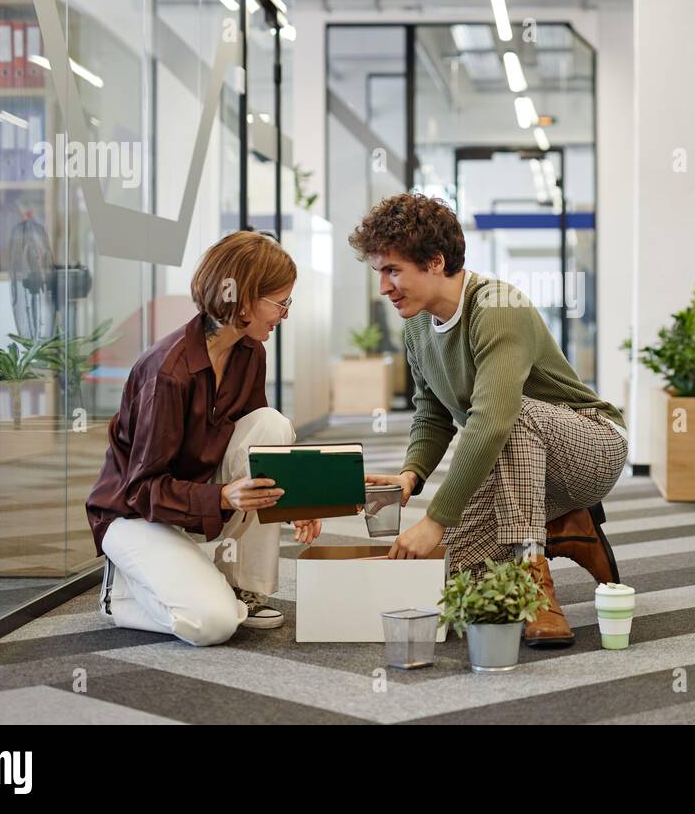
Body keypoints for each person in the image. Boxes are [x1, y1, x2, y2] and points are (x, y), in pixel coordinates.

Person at [349, 193, 629, 648]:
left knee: (508, 415)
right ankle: (563, 525)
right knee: (462, 593)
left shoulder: (497, 305)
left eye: (392, 270)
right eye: (380, 272)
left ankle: (532, 573)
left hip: (591, 447)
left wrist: (436, 519)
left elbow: (492, 421)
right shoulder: (417, 326)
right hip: (516, 462)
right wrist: (409, 476)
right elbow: (431, 413)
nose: (384, 286)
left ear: (436, 262)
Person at [86, 230, 322, 646]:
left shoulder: (251, 351)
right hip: (135, 515)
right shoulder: (167, 373)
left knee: (271, 427)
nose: (285, 314)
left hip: (197, 498)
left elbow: (259, 455)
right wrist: (223, 498)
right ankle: (118, 595)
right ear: (246, 301)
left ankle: (240, 586)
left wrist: (300, 500)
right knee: (214, 624)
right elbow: (142, 489)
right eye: (281, 302)